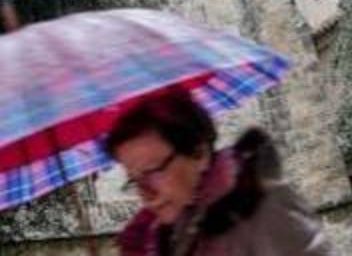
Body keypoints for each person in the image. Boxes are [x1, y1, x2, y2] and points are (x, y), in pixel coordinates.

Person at [108, 88, 333, 256]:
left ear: (199, 153)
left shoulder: (266, 208)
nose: (146, 194)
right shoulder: (170, 233)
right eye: (134, 179)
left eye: (152, 171)